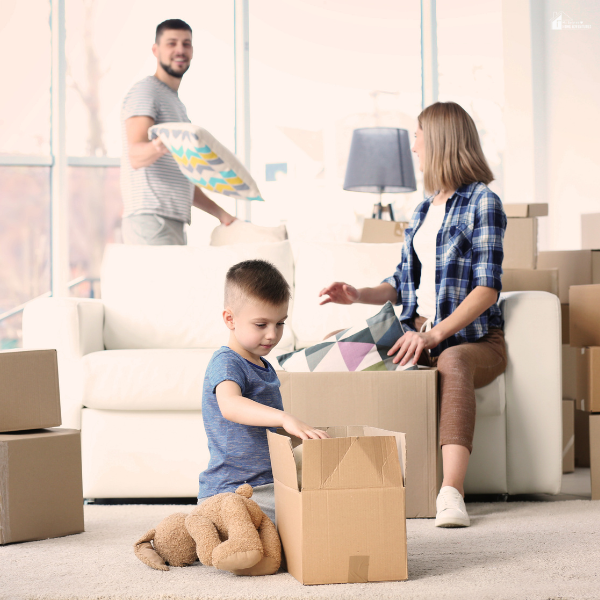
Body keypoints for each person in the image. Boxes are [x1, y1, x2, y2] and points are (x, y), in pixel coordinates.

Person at [319, 101, 507, 528]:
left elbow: (487, 289)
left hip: (474, 342)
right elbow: (403, 282)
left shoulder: (483, 202)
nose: (415, 145)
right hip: (417, 332)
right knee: (338, 344)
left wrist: (434, 336)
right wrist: (358, 294)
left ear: (440, 140)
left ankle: (450, 492)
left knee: (454, 360)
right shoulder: (424, 210)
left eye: (419, 135)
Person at [197, 260, 329, 523]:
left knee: (324, 504)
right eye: (261, 325)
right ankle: (202, 526)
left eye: (280, 323)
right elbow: (230, 405)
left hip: (266, 483)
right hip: (233, 490)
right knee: (310, 521)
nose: (272, 334)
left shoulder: (263, 364)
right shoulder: (227, 362)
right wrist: (284, 418)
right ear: (230, 319)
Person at [120, 19, 235, 245]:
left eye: (186, 44)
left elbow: (184, 179)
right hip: (151, 219)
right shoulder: (146, 91)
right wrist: (161, 143)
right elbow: (135, 155)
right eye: (171, 43)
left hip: (171, 220)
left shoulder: (175, 104)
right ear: (156, 50)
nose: (180, 50)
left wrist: (223, 215)